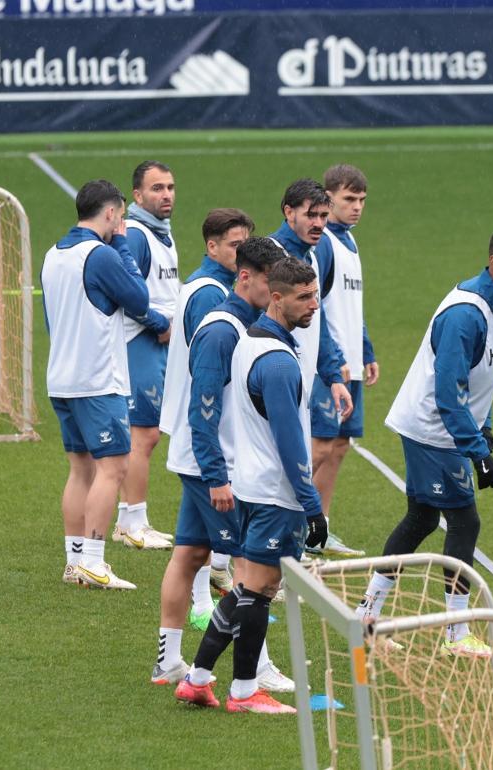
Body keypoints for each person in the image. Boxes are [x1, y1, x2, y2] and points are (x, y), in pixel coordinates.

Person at [357, 228, 493, 659]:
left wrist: (484, 425)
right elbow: (449, 391)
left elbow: (480, 380)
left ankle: (366, 617)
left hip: (444, 428)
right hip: (433, 430)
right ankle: (455, 632)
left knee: (420, 519)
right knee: (465, 522)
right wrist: (478, 451)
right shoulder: (466, 315)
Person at [173, 257, 329, 714]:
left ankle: (199, 678)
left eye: (315, 294)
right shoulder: (278, 362)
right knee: (258, 591)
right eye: (303, 297)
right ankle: (244, 691)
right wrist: (312, 504)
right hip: (275, 494)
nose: (313, 305)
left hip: (251, 484)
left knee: (248, 586)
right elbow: (290, 441)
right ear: (276, 297)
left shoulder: (251, 343)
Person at [152, 236, 294, 694]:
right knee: (249, 567)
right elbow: (203, 409)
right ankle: (257, 671)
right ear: (245, 275)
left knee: (190, 554)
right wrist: (217, 476)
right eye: (268, 284)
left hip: (205, 462)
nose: (274, 295)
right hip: (210, 467)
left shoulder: (244, 323)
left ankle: (169, 662)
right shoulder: (221, 330)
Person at [41, 179, 166, 590]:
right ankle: (94, 562)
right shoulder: (102, 253)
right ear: (111, 213)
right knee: (112, 468)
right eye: (122, 216)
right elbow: (140, 299)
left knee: (80, 470)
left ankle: (74, 562)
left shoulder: (53, 255)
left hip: (62, 377)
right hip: (98, 380)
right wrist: (124, 245)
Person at [160, 208, 255, 603]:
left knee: (193, 547)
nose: (242, 253)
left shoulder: (203, 285)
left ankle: (200, 609)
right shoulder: (213, 297)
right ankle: (244, 632)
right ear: (211, 246)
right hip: (206, 437)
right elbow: (210, 376)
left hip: (196, 435)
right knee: (246, 549)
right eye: (235, 246)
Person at [267, 179, 355, 552]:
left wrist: (333, 375)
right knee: (275, 467)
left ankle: (285, 549)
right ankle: (246, 559)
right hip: (270, 378)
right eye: (310, 215)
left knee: (296, 461)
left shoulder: (320, 254)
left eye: (323, 215)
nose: (319, 223)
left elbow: (317, 321)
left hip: (302, 380)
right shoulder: (268, 255)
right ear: (288, 213)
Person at [311, 164, 379, 556]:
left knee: (339, 447)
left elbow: (351, 305)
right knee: (318, 448)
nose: (356, 207)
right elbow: (316, 307)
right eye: (349, 200)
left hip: (351, 362)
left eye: (361, 201)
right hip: (330, 365)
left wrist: (366, 350)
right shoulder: (324, 245)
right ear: (328, 198)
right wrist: (333, 359)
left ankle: (319, 528)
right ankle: (294, 523)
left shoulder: (350, 242)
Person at [113, 160, 179, 550]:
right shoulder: (137, 235)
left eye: (170, 187)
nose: (166, 194)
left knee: (148, 433)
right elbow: (125, 291)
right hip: (139, 343)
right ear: (137, 195)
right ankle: (131, 522)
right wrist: (158, 323)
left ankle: (134, 518)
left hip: (158, 344)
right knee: (144, 434)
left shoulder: (162, 234)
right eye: (157, 188)